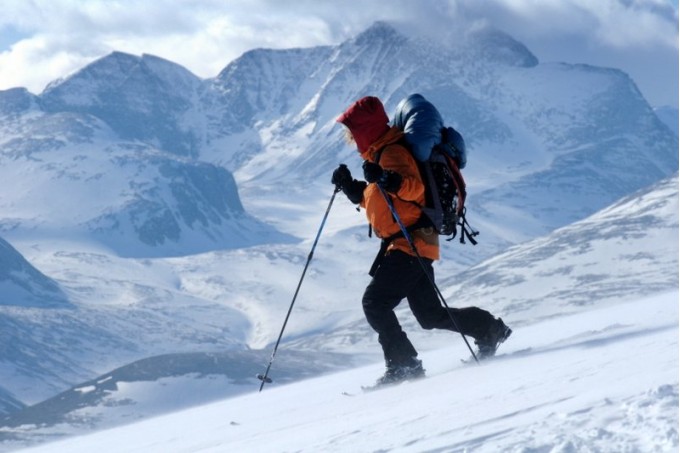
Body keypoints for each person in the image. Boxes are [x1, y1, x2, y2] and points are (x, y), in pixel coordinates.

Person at [331, 96, 511, 386]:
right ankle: (489, 329)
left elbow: (414, 190)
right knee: (429, 315)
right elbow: (382, 201)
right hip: (413, 241)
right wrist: (352, 188)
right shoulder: (380, 156)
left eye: (352, 131)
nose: (349, 138)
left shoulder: (392, 152)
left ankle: (404, 365)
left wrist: (387, 179)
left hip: (411, 242)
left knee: (375, 302)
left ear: (365, 129)